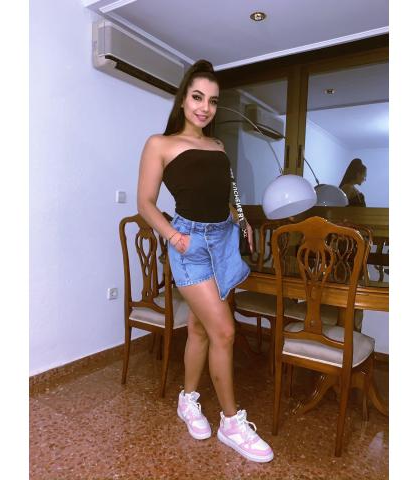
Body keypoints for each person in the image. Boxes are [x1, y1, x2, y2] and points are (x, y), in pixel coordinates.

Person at [137, 59, 274, 463]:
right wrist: (174, 236)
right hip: (190, 244)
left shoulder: (218, 147)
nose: (205, 107)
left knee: (199, 328)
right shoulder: (159, 144)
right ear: (183, 99)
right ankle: (231, 423)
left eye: (213, 101)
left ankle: (188, 399)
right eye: (198, 97)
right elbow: (145, 202)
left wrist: (241, 220)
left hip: (224, 240)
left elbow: (226, 196)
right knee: (225, 331)